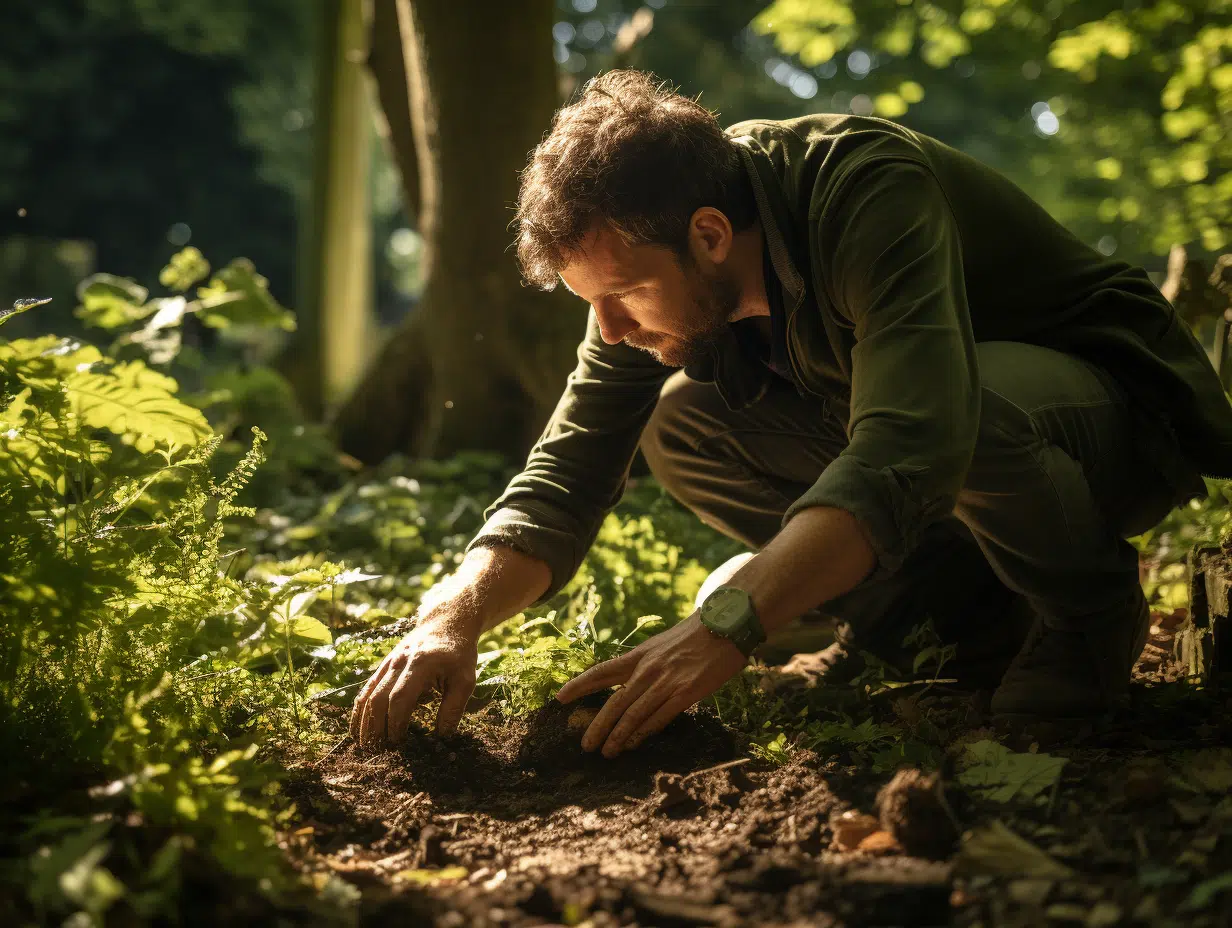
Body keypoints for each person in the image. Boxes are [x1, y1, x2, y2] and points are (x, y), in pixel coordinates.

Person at [351, 70, 1232, 757]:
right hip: (957, 452)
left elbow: (911, 442)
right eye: (592, 305)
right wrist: (449, 618)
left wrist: (728, 627)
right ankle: (944, 628)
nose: (610, 329)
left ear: (707, 235)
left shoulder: (863, 189)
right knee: (681, 425)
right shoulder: (658, 258)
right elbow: (570, 465)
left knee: (964, 403)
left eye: (621, 295)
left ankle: (1085, 619)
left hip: (1109, 423)